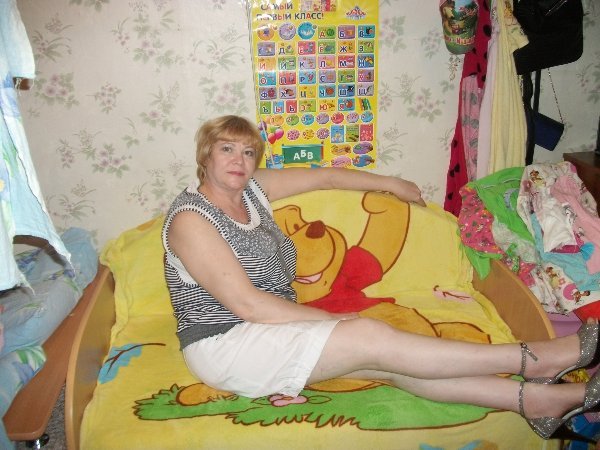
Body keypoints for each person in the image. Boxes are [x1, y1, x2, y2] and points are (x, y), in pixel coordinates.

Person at [162, 115, 600, 440]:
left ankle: (542, 402)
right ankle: (534, 360)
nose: (239, 160)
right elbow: (248, 305)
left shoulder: (252, 191)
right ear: (205, 155)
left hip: (267, 329)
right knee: (369, 336)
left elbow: (325, 175)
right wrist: (333, 322)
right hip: (226, 343)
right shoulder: (191, 220)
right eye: (227, 149)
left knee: (388, 363)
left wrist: (390, 183)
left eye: (247, 151)